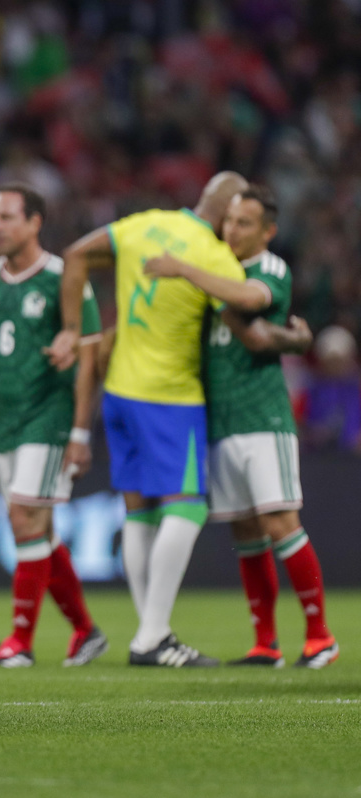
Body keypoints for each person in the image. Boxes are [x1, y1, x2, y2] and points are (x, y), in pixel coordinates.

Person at [47, 172, 249, 668]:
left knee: (139, 512)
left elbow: (73, 255)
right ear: (226, 214)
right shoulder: (214, 255)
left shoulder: (144, 225)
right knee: (188, 506)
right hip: (169, 396)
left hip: (118, 391)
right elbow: (243, 311)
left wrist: (73, 330)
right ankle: (152, 636)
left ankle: (149, 632)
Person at [142, 185, 336, 668]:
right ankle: (265, 643)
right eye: (230, 221)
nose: (232, 230)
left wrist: (186, 269)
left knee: (280, 521)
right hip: (220, 420)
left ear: (267, 231)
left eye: (245, 223)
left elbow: (251, 306)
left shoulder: (266, 268)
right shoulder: (217, 272)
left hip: (263, 417)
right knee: (247, 531)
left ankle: (320, 637)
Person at [0, 186, 107, 669]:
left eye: (7, 216)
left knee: (25, 518)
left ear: (35, 222)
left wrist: (81, 433)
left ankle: (19, 642)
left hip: (50, 417)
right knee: (36, 528)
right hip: (5, 422)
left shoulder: (65, 279)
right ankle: (86, 632)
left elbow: (89, 357)